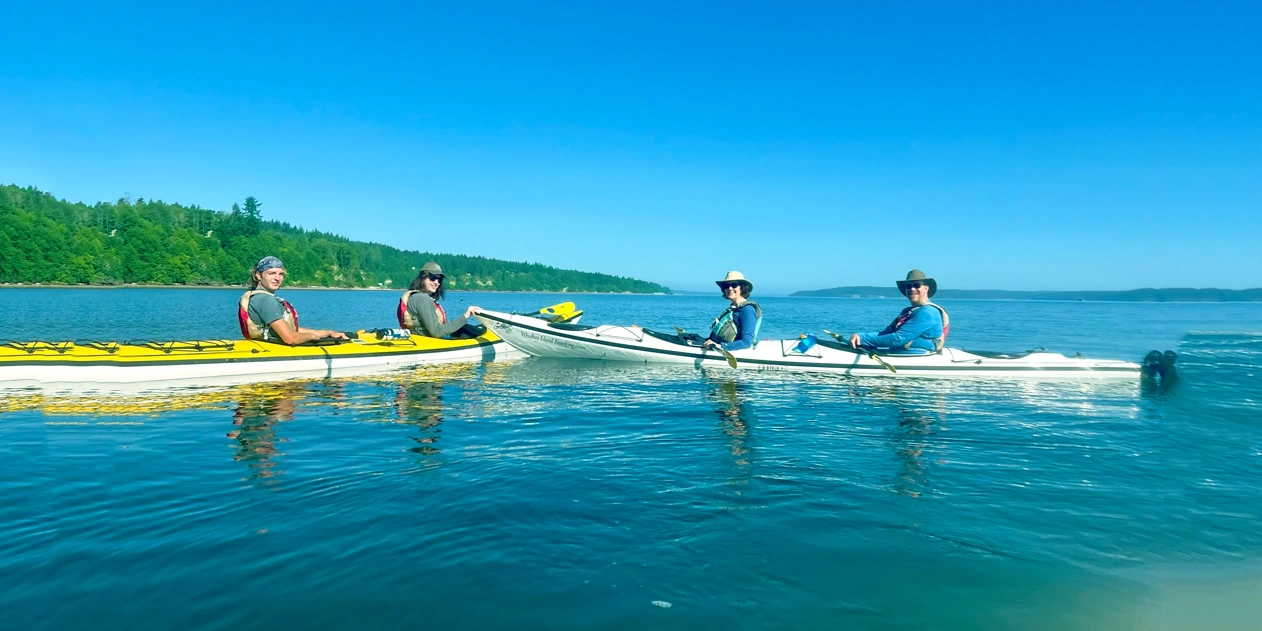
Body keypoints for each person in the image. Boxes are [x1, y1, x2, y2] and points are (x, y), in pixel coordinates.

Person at [237, 256, 348, 344]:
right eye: (271, 273)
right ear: (258, 275)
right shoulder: (265, 300)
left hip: (263, 344)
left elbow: (292, 329)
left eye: (280, 274)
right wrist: (312, 336)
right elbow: (290, 338)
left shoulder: (256, 296)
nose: (277, 278)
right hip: (274, 348)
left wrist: (328, 333)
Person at [848, 269, 950, 353]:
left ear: (926, 288)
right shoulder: (908, 311)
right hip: (898, 353)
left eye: (917, 285)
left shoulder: (927, 312)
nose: (912, 289)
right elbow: (886, 333)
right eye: (908, 286)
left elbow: (897, 339)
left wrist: (862, 338)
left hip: (917, 357)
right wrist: (860, 336)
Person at [398, 262, 483, 338]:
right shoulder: (423, 298)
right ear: (423, 277)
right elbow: (437, 332)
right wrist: (466, 315)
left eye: (439, 279)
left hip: (417, 337)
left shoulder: (414, 296)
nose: (436, 282)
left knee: (466, 328)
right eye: (432, 277)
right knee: (469, 331)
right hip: (427, 342)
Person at [703, 271, 762, 352]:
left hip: (734, 351)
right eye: (727, 286)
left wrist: (720, 346)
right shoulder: (732, 309)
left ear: (742, 287)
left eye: (734, 285)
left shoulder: (747, 310)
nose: (730, 288)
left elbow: (746, 342)